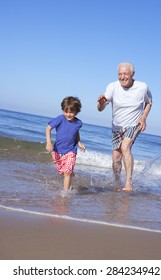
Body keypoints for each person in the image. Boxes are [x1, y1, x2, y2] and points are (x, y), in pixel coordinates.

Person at [97, 62, 152, 192]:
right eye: (120, 74)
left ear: (132, 74)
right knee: (116, 159)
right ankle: (117, 182)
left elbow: (149, 102)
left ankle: (129, 182)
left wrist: (143, 117)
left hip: (134, 124)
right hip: (117, 127)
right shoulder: (112, 86)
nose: (122, 77)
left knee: (125, 146)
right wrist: (101, 103)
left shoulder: (142, 87)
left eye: (125, 74)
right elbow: (100, 109)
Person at [46, 96, 86, 196]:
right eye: (66, 111)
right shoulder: (60, 119)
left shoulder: (78, 123)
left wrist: (79, 142)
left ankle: (65, 194)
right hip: (57, 150)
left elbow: (76, 132)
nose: (68, 114)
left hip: (71, 150)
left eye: (71, 112)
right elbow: (48, 128)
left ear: (77, 111)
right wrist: (49, 142)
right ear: (63, 110)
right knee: (63, 172)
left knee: (67, 172)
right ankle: (69, 184)